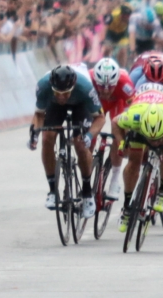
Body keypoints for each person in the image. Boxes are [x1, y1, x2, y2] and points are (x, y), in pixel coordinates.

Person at [112, 82, 163, 232]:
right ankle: (127, 207)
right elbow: (115, 123)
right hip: (141, 116)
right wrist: (122, 142)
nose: (155, 143)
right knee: (134, 162)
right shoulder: (133, 117)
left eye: (157, 139)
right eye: (152, 139)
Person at [28, 65, 104, 218]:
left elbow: (100, 118)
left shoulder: (85, 88)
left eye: (66, 93)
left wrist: (89, 136)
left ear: (73, 87)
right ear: (52, 87)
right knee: (47, 138)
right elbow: (39, 115)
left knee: (80, 144)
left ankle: (87, 192)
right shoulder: (43, 86)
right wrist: (34, 133)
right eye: (58, 93)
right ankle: (52, 191)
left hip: (80, 104)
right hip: (54, 106)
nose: (62, 97)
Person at [89, 58, 135, 200]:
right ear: (96, 80)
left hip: (117, 103)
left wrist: (127, 138)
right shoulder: (88, 79)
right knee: (89, 137)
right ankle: (86, 180)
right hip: (97, 103)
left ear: (116, 82)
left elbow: (131, 113)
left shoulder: (125, 84)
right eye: (102, 86)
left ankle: (115, 178)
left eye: (110, 86)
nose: (106, 90)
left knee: (118, 134)